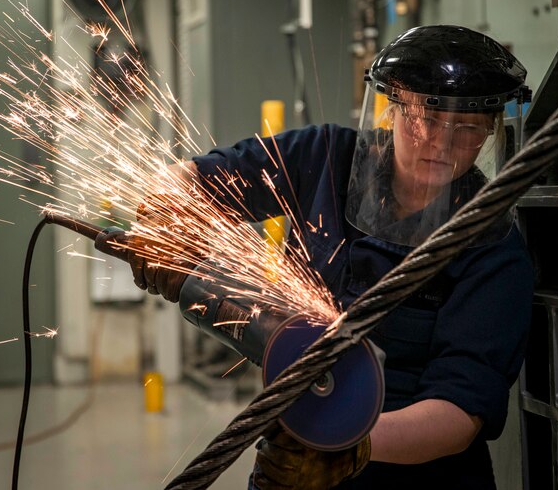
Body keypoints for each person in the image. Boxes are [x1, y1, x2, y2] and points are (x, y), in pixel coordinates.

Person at [131, 25, 534, 489]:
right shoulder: (326, 156)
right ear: (394, 103)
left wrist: (347, 443)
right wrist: (165, 218)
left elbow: (460, 413)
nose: (443, 144)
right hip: (294, 459)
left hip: (410, 471)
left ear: (490, 130)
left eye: (467, 129)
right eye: (428, 117)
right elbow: (194, 179)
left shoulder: (494, 249)